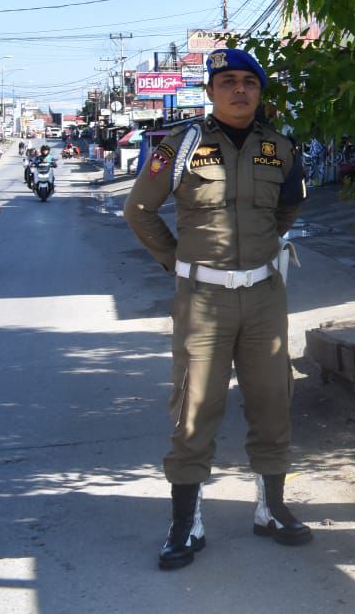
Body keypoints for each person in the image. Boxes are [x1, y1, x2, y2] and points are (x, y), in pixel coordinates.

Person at [124, 47, 309, 571]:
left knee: (273, 399)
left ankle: (271, 508)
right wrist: (175, 261)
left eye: (248, 83)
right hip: (202, 299)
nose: (239, 90)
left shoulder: (281, 147)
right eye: (227, 81)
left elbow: (290, 204)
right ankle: (186, 522)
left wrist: (263, 245)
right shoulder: (180, 146)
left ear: (260, 92)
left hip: (265, 295)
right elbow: (138, 209)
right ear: (210, 91)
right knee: (194, 407)